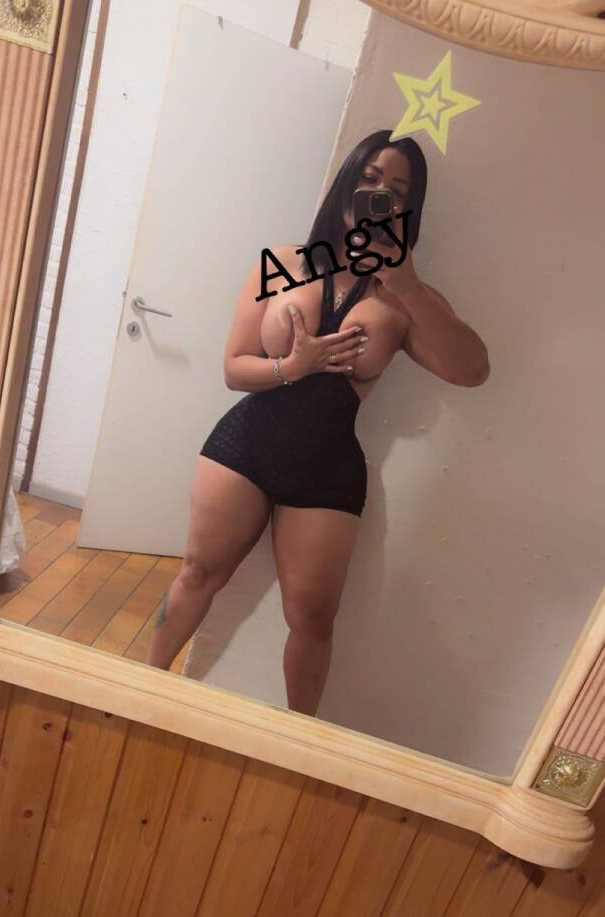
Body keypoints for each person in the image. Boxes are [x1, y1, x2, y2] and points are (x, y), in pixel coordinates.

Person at [145, 130, 489, 716]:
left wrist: (405, 282)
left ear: (410, 208)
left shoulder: (407, 298)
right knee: (197, 572)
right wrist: (294, 366)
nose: (380, 194)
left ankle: (297, 738)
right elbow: (233, 368)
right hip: (245, 445)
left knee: (312, 618)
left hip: (328, 468)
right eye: (371, 178)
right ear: (347, 180)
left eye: (398, 189)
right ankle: (140, 686)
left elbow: (472, 370)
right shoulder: (282, 264)